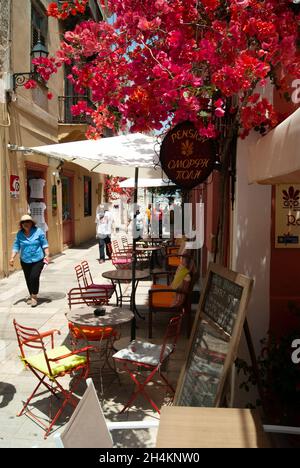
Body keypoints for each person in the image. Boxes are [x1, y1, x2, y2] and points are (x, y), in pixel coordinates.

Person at [9, 215, 49, 307]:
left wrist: (47, 255)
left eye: (28, 222)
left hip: (38, 259)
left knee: (34, 277)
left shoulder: (38, 231)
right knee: (28, 279)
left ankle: (34, 296)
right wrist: (12, 257)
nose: (26, 224)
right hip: (25, 260)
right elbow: (16, 246)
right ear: (21, 224)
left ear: (31, 223)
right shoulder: (19, 234)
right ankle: (31, 295)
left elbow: (44, 243)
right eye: (23, 222)